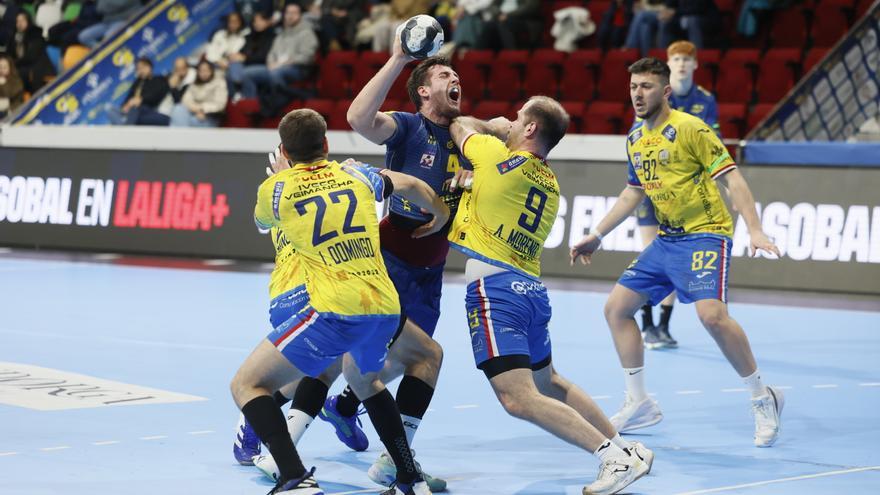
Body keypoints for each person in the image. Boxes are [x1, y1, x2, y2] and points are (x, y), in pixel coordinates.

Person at [231, 107, 449, 495]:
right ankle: (409, 479)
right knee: (365, 381)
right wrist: (441, 214)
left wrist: (283, 179)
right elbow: (413, 185)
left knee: (246, 384)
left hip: (335, 308)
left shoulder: (276, 189)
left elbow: (264, 222)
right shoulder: (357, 173)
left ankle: (293, 476)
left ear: (285, 151)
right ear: (327, 144)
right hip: (385, 307)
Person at [569, 58, 785, 448]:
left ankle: (761, 396)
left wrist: (754, 228)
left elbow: (732, 177)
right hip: (667, 239)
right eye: (633, 86)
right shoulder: (635, 137)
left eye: (646, 86)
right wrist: (597, 234)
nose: (637, 94)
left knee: (712, 316)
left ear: (666, 91)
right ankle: (639, 402)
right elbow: (633, 192)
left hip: (705, 234)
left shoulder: (691, 128)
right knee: (616, 309)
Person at [446, 96, 652, 495]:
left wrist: (492, 127)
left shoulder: (494, 156)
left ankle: (613, 458)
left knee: (517, 398)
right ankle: (627, 448)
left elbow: (456, 124)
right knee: (549, 382)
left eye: (517, 117)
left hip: (496, 292)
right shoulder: (550, 181)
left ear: (530, 128)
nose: (511, 121)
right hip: (531, 292)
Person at [333, 33, 473, 492]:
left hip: (431, 269)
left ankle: (347, 409)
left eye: (455, 73)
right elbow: (358, 119)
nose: (454, 77)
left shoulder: (467, 135)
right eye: (444, 74)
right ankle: (272, 418)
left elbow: (509, 129)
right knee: (352, 354)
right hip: (390, 257)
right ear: (424, 92)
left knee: (412, 359)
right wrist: (398, 58)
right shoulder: (408, 127)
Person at [637, 40, 720, 349]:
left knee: (673, 261)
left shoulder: (705, 100)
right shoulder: (656, 95)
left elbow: (712, 146)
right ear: (669, 64)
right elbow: (640, 140)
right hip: (653, 190)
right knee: (651, 256)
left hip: (685, 197)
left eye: (687, 59)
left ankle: (663, 326)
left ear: (695, 64)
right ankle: (646, 324)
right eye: (676, 59)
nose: (682, 64)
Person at [240, 3, 317, 113]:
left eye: (294, 13)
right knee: (246, 73)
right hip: (275, 67)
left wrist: (285, 63)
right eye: (288, 13)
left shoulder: (307, 33)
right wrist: (271, 63)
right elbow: (271, 53)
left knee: (275, 74)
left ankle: (274, 106)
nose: (290, 16)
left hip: (296, 68)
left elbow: (307, 57)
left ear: (300, 15)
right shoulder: (281, 34)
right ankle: (252, 107)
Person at [105, 56, 170, 126]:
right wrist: (125, 106)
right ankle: (125, 125)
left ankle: (125, 126)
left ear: (149, 67)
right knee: (109, 108)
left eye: (142, 68)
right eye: (138, 69)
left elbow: (157, 95)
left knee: (135, 109)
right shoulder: (137, 83)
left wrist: (141, 99)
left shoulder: (159, 79)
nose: (140, 71)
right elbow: (129, 98)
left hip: (148, 110)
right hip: (131, 113)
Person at [169, 60, 228, 127]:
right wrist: (197, 110)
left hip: (210, 117)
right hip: (194, 113)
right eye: (201, 71)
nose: (204, 73)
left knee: (189, 121)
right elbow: (185, 101)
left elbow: (219, 105)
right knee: (178, 108)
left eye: (206, 70)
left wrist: (202, 109)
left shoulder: (219, 83)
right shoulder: (194, 84)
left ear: (212, 71)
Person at [0, 54, 25, 119]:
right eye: (0, 67)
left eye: (4, 67)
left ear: (10, 68)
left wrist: (3, 84)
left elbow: (12, 95)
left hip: (12, 109)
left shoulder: (15, 80)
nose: (1, 70)